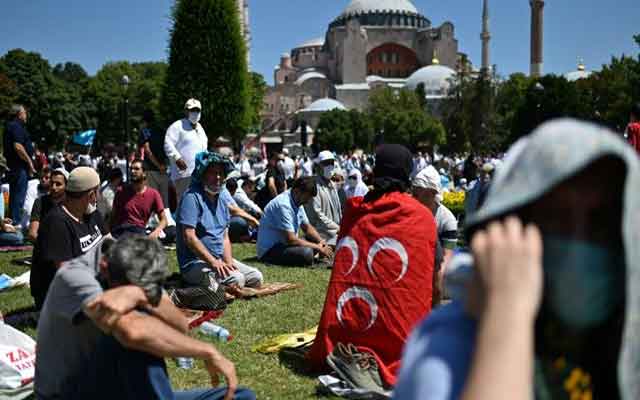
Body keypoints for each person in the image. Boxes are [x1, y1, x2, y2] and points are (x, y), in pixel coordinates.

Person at [394, 119, 638, 400]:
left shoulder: (625, 338)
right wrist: (507, 312)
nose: (578, 243)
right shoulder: (449, 343)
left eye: (600, 223)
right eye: (557, 218)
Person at [35, 236, 256, 400]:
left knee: (240, 396)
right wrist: (206, 350)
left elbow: (180, 325)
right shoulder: (75, 277)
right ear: (104, 268)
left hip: (117, 389)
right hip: (68, 393)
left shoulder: (134, 262)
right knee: (135, 338)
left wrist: (141, 294)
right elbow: (132, 332)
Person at [307, 144, 438, 392]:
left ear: (376, 171)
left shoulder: (354, 211)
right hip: (399, 342)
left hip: (343, 335)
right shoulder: (421, 218)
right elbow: (431, 282)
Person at [176, 151, 263, 289]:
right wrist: (213, 263)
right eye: (212, 172)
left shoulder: (222, 197)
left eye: (220, 173)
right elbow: (189, 237)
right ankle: (194, 282)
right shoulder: (191, 197)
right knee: (237, 280)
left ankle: (219, 283)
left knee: (256, 277)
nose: (217, 177)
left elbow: (224, 237)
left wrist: (228, 262)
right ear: (202, 174)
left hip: (218, 259)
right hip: (195, 263)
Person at [30, 167, 106, 310]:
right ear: (91, 195)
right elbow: (68, 276)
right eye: (97, 192)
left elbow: (110, 244)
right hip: (60, 296)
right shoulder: (56, 223)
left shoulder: (92, 214)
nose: (98, 198)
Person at [257, 177, 333, 267]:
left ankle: (316, 252)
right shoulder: (283, 205)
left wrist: (321, 242)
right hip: (270, 251)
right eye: (307, 197)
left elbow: (307, 227)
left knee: (319, 236)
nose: (307, 201)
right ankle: (313, 256)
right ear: (297, 191)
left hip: (284, 245)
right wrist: (318, 247)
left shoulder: (296, 200)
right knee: (306, 253)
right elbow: (291, 240)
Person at [164, 98, 209, 202]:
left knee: (198, 202)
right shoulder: (177, 126)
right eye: (192, 110)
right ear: (186, 111)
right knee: (183, 203)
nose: (195, 113)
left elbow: (204, 148)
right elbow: (168, 143)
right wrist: (177, 158)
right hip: (183, 175)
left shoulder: (200, 128)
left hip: (199, 174)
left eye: (197, 110)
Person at [110, 159, 167, 239]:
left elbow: (164, 220)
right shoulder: (121, 191)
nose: (132, 171)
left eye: (136, 169)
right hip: (120, 231)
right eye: (131, 169)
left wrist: (156, 232)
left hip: (139, 232)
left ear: (144, 173)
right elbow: (112, 216)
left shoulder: (153, 194)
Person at [3, 104, 36, 223]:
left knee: (15, 197)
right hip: (19, 167)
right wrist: (30, 163)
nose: (26, 115)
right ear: (19, 114)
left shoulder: (12, 126)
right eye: (25, 112)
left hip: (15, 167)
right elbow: (18, 146)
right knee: (18, 197)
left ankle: (12, 223)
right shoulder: (16, 126)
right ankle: (15, 224)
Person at [304, 151, 342, 246]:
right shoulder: (313, 186)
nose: (330, 166)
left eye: (331, 163)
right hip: (321, 235)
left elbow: (338, 211)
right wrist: (337, 228)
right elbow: (317, 215)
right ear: (318, 166)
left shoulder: (332, 185)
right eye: (326, 163)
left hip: (335, 232)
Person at [139, 109, 170, 210]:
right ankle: (167, 223)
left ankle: (155, 224)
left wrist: (158, 166)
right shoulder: (163, 130)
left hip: (152, 169)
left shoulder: (145, 131)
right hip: (164, 169)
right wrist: (164, 165)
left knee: (152, 199)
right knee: (164, 201)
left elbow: (147, 151)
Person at [27, 168, 68, 242]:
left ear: (66, 186)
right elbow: (32, 234)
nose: (53, 187)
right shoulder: (40, 202)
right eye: (52, 183)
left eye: (58, 184)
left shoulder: (71, 204)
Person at [225, 178, 260, 243]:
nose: (252, 190)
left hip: (226, 221)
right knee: (240, 221)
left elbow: (237, 209)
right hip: (222, 224)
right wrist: (254, 221)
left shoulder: (228, 195)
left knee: (243, 218)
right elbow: (236, 211)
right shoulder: (228, 195)